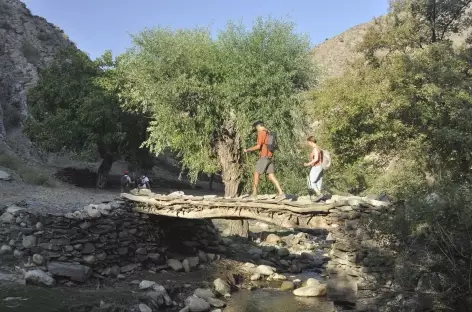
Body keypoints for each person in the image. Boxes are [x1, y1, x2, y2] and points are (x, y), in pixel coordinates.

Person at [244, 121, 285, 201]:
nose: (256, 129)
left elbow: (258, 146)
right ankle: (281, 193)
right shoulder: (269, 132)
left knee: (256, 174)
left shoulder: (261, 133)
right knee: (271, 176)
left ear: (259, 126)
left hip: (264, 157)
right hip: (270, 157)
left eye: (256, 128)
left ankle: (254, 195)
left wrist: (248, 150)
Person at [304, 136, 323, 201]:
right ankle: (319, 197)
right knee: (318, 181)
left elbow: (316, 159)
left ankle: (318, 194)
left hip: (316, 167)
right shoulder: (318, 148)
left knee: (311, 182)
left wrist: (308, 164)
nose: (308, 143)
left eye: (309, 142)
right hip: (320, 166)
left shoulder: (315, 149)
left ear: (311, 142)